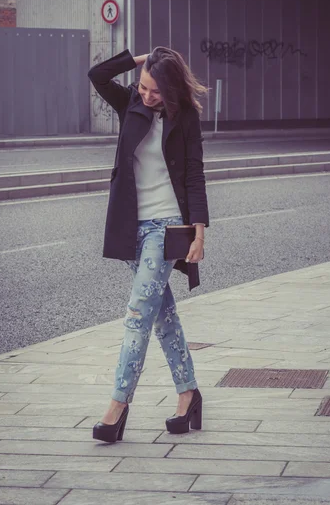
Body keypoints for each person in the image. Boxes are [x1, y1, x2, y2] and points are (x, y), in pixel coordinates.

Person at [87, 47, 209, 443]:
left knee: (139, 314)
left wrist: (199, 233)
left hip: (168, 226)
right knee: (162, 316)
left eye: (156, 91)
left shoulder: (185, 117)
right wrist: (141, 61)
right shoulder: (131, 102)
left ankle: (118, 407)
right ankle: (189, 393)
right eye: (144, 88)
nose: (147, 96)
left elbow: (194, 174)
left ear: (171, 90)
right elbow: (97, 76)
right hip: (131, 228)